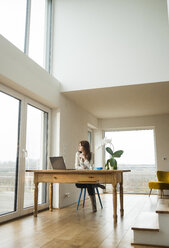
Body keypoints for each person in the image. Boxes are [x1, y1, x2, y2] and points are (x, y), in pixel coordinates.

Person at [75, 140, 105, 212]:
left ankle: (94, 207)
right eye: (78, 145)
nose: (78, 147)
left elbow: (91, 168)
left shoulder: (91, 154)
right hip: (81, 179)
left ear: (85, 147)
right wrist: (82, 168)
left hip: (89, 178)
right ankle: (96, 184)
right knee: (88, 184)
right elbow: (76, 166)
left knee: (89, 183)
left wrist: (84, 158)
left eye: (80, 145)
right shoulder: (77, 154)